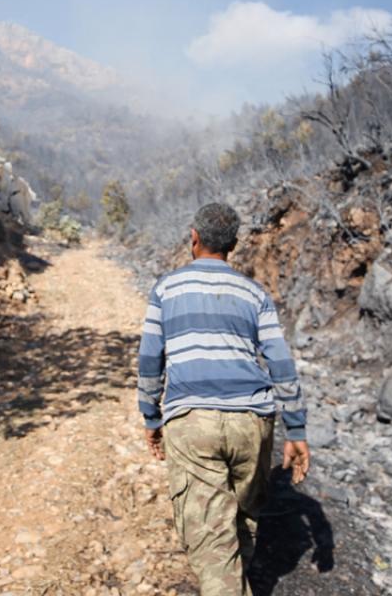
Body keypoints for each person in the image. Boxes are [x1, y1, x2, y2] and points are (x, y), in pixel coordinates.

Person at [137, 202, 310, 596]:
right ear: (233, 244)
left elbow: (150, 361)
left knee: (212, 545)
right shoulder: (254, 293)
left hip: (193, 421)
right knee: (241, 524)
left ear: (193, 238)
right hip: (252, 422)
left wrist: (151, 417)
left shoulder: (166, 288)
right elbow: (281, 363)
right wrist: (296, 428)